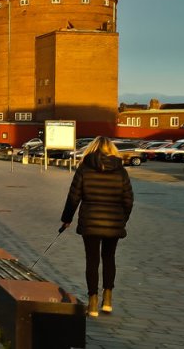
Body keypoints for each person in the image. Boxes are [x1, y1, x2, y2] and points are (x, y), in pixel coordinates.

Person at [60, 136, 134, 317]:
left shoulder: (84, 168)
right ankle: (107, 299)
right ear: (112, 150)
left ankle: (92, 302)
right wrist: (122, 219)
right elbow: (128, 200)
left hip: (90, 221)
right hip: (113, 222)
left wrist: (67, 219)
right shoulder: (120, 171)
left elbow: (74, 196)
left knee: (92, 260)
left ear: (92, 148)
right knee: (109, 258)